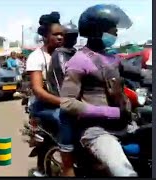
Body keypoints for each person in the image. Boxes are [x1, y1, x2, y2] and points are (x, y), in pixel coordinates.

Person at [59, 4, 150, 176]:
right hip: (98, 132)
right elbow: (67, 103)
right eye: (112, 29)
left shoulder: (111, 57)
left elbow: (140, 74)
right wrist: (112, 112)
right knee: (126, 173)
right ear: (96, 30)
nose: (115, 33)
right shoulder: (79, 61)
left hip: (126, 124)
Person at [25, 11, 64, 177]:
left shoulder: (65, 55)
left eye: (63, 34)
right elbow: (38, 90)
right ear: (46, 37)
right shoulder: (36, 57)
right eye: (56, 34)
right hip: (44, 106)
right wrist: (63, 102)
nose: (61, 37)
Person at [49, 22, 79, 176]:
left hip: (79, 100)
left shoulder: (76, 53)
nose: (73, 38)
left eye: (75, 35)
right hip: (63, 102)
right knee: (68, 150)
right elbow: (63, 83)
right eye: (70, 35)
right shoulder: (59, 55)